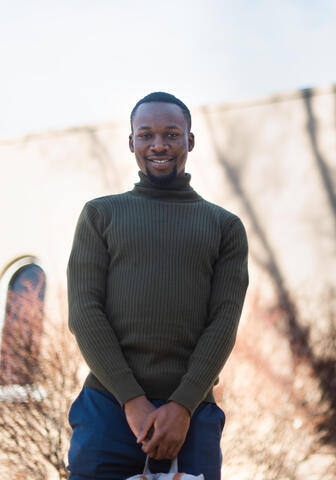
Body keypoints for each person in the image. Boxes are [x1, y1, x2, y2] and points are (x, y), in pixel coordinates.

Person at [66, 92, 249, 480]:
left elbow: (223, 322)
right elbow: (85, 312)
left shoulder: (224, 227)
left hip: (191, 413)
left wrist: (182, 406)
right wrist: (132, 400)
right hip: (107, 407)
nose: (159, 145)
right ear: (131, 142)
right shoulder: (101, 215)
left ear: (190, 141)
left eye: (171, 134)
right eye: (146, 135)